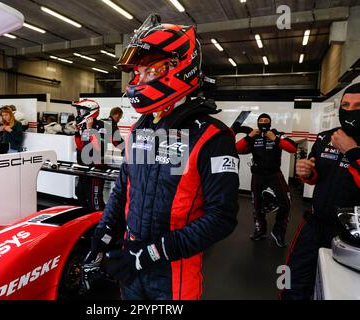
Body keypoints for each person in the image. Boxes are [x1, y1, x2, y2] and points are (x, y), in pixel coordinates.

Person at [81, 14, 239, 300]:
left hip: (173, 271)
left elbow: (221, 218)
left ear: (179, 68)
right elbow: (122, 189)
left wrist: (149, 254)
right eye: (137, 73)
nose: (138, 79)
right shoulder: (141, 128)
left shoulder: (213, 137)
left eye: (148, 71)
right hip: (130, 261)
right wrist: (102, 234)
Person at [281, 83, 360, 300]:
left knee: (336, 290)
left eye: (357, 105)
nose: (350, 110)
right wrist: (307, 173)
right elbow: (317, 177)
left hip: (352, 237)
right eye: (346, 104)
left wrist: (352, 151)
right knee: (290, 275)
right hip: (315, 223)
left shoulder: (347, 144)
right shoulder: (326, 137)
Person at [236, 113, 297, 247]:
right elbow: (237, 149)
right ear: (258, 123)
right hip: (258, 175)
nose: (263, 122)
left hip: (275, 174)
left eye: (266, 120)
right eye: (261, 120)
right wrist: (248, 136)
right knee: (257, 204)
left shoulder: (278, 134)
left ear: (270, 122)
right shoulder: (254, 137)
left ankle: (278, 232)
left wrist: (275, 139)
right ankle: (260, 230)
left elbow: (293, 149)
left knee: (285, 203)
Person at [74, 99, 106, 211]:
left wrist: (90, 129)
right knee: (80, 193)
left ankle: (99, 221)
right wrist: (77, 132)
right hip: (84, 165)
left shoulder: (102, 125)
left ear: (91, 111)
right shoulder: (84, 126)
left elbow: (98, 148)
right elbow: (80, 147)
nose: (79, 114)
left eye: (82, 111)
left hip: (95, 166)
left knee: (95, 198)